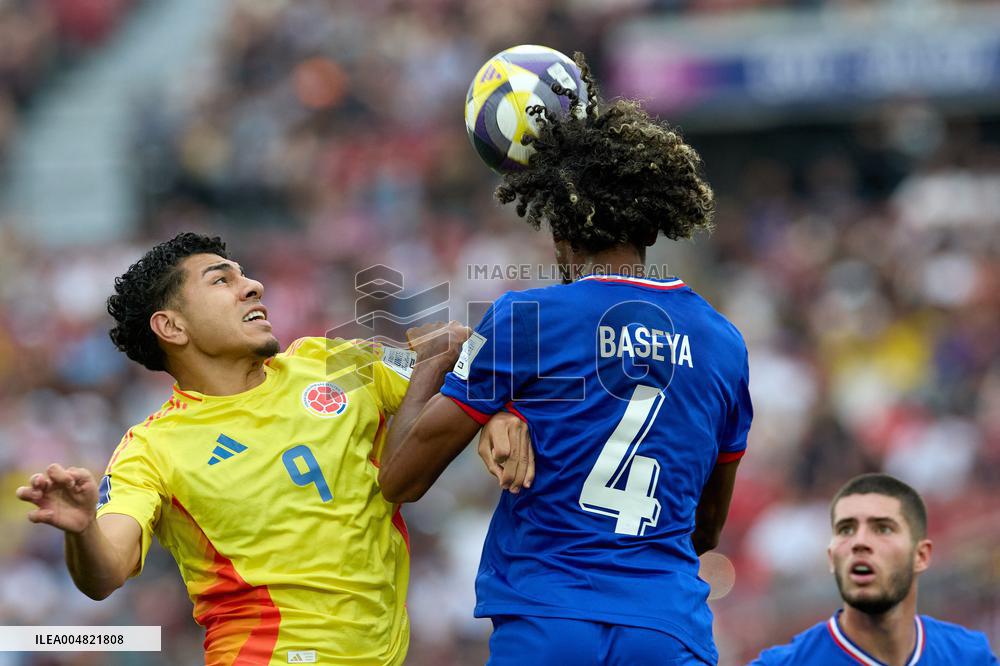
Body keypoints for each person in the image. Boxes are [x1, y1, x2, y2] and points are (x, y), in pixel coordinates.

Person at [379, 54, 751, 665]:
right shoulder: (724, 342)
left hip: (549, 620)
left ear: (557, 231)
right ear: (653, 226)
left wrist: (438, 364)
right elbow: (705, 529)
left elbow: (401, 479)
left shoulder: (525, 319)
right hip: (666, 627)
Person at [14, 232, 522, 665]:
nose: (252, 286)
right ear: (172, 327)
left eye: (244, 275)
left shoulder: (331, 362)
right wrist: (82, 530)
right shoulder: (152, 448)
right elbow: (106, 572)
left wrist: (500, 413)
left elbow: (457, 358)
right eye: (221, 280)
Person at [751, 473, 998, 666]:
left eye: (883, 529)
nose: (860, 542)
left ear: (921, 556)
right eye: (846, 529)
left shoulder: (969, 657)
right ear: (831, 558)